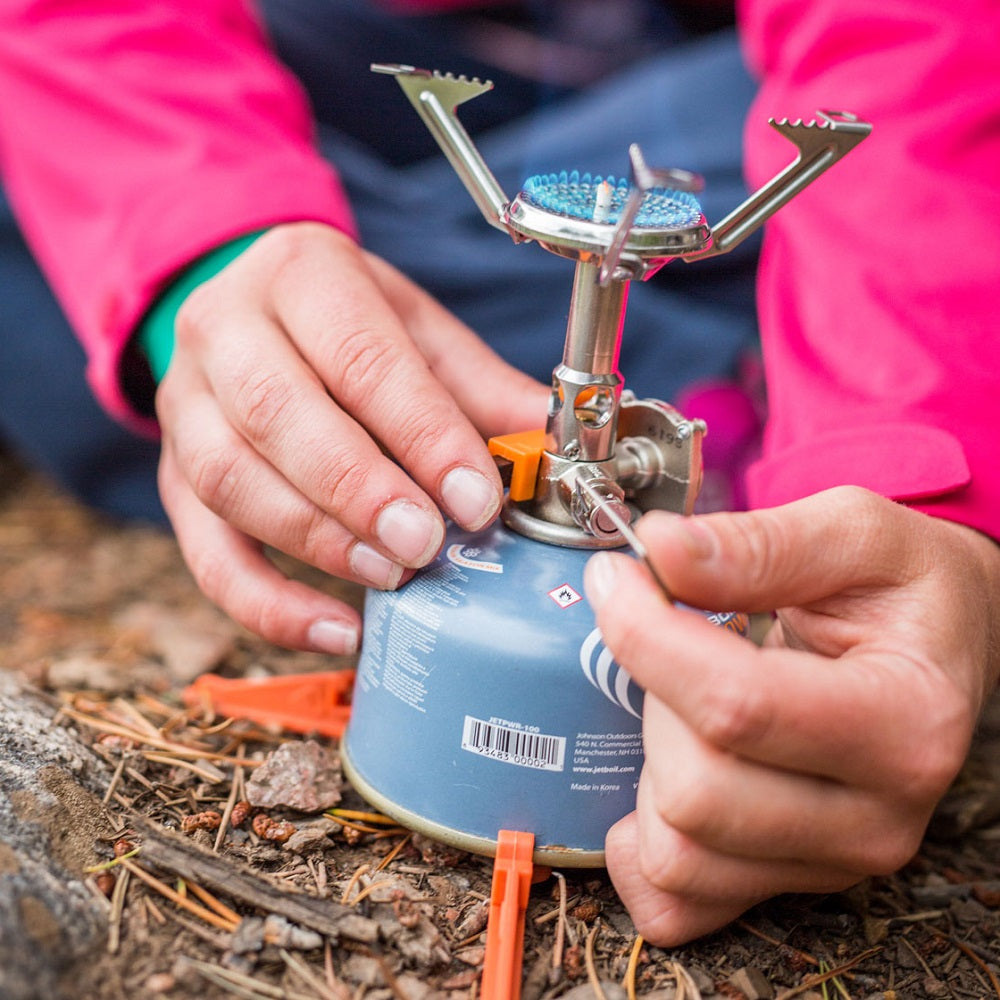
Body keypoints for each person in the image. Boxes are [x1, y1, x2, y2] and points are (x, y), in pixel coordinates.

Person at [1, 0, 998, 948]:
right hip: (324, 54)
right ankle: (738, 371)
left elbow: (914, 55)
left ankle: (740, 372)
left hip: (717, 74)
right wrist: (207, 263)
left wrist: (905, 466)